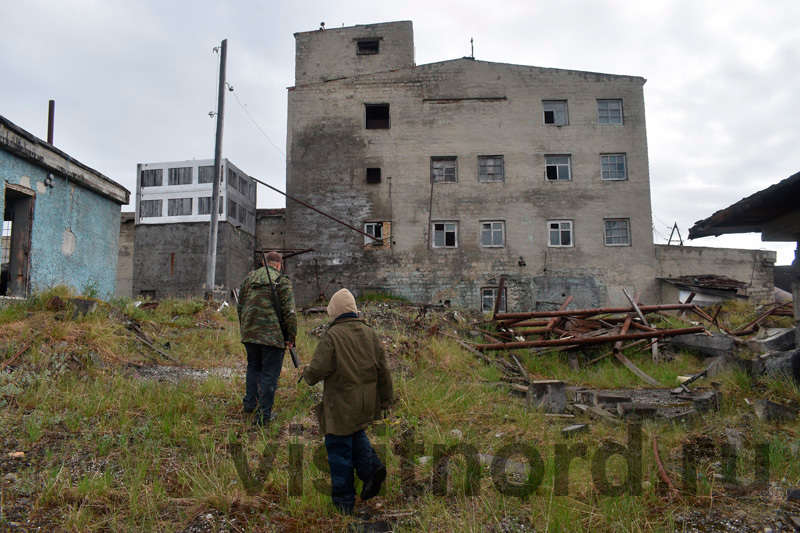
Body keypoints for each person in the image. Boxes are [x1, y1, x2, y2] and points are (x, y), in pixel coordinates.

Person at [302, 288, 393, 515]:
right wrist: (385, 401)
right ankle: (372, 469)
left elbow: (317, 370)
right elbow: (384, 371)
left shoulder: (332, 335)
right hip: (366, 403)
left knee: (338, 450)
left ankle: (344, 503)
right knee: (356, 434)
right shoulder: (370, 333)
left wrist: (307, 374)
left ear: (334, 311)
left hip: (341, 404)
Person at [237, 251, 296, 426]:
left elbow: (240, 306)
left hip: (250, 333)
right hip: (273, 336)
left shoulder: (249, 280)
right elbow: (290, 312)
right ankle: (263, 417)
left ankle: (249, 405)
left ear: (264, 263)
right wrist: (291, 337)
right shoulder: (281, 281)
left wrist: (246, 329)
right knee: (270, 374)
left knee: (253, 367)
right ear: (279, 265)